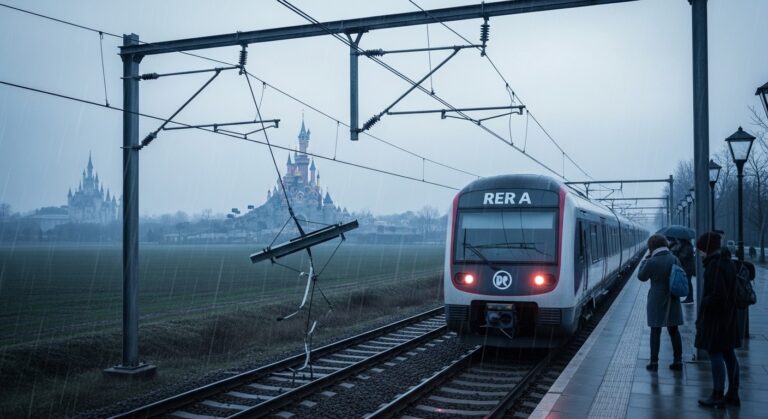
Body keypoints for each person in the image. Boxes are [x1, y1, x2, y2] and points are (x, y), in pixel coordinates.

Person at [695, 231, 741, 408]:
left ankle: (717, 394)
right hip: (728, 316)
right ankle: (733, 393)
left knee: (715, 353)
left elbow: (717, 295)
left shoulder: (715, 266)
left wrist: (705, 303)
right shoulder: (727, 262)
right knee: (729, 354)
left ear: (708, 248)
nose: (699, 253)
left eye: (701, 249)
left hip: (716, 319)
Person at [638, 234, 684, 371]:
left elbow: (641, 277)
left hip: (656, 299)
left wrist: (645, 260)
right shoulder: (674, 259)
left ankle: (654, 362)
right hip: (672, 298)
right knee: (674, 330)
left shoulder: (652, 261)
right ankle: (678, 360)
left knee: (655, 330)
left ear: (652, 246)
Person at [670, 237, 696, 303]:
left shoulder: (687, 246)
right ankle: (689, 297)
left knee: (688, 282)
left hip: (688, 267)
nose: (677, 240)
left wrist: (676, 253)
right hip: (686, 267)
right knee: (688, 282)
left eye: (678, 239)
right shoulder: (684, 245)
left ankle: (690, 298)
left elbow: (683, 256)